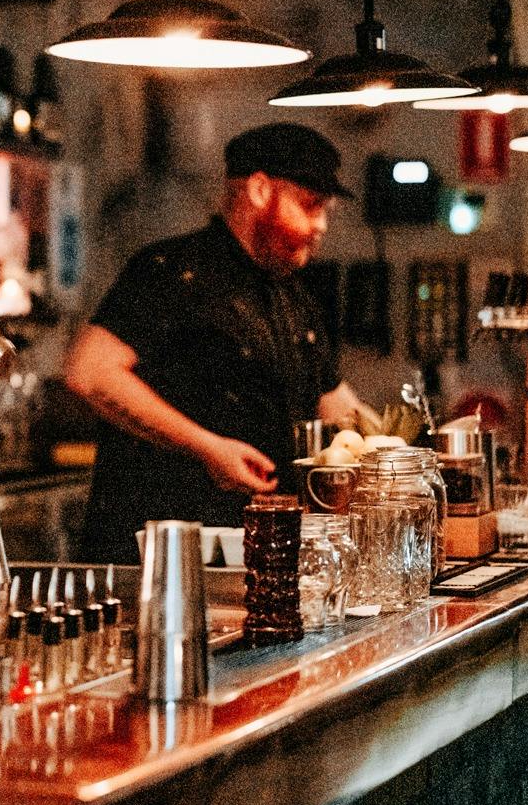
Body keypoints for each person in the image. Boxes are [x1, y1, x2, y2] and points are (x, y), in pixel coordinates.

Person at [65, 123, 366, 562]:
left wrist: (409, 455)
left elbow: (333, 401)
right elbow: (89, 372)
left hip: (257, 560)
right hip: (160, 562)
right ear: (260, 190)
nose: (320, 225)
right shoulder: (169, 271)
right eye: (310, 206)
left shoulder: (293, 295)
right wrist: (207, 447)